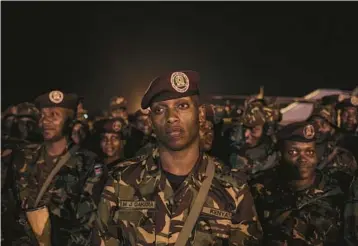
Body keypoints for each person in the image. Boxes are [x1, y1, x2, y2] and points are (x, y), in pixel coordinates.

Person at [97, 70, 262, 245]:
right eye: (160, 110)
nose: (171, 118)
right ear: (151, 122)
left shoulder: (234, 189)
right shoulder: (121, 181)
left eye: (182, 106)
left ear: (200, 115)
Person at [11, 90, 107, 246]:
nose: (46, 121)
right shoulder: (24, 157)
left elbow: (88, 223)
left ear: (69, 121)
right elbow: (10, 208)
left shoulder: (89, 163)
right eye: (43, 115)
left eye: (54, 115)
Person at [250, 122, 345, 245]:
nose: (303, 159)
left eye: (310, 152)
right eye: (293, 152)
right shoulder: (259, 187)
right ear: (280, 155)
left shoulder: (338, 191)